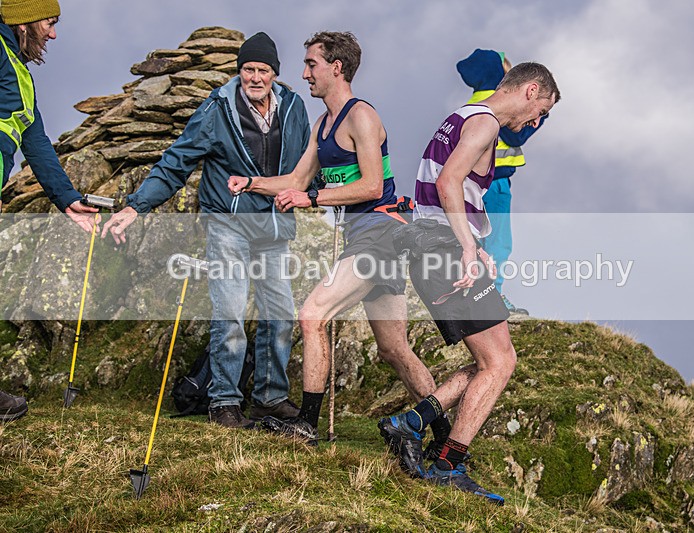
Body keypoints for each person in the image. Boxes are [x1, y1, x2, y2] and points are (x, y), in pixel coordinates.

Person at [229, 32, 448, 462]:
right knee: (393, 349)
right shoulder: (322, 124)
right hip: (367, 236)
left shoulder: (361, 117)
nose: (303, 72)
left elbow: (369, 185)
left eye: (311, 64)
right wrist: (250, 182)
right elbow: (296, 179)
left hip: (380, 233)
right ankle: (444, 435)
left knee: (313, 315)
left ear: (337, 68)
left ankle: (306, 426)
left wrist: (311, 198)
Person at [102, 32, 310, 429]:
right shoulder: (217, 108)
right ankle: (225, 402)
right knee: (230, 312)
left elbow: (306, 165)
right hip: (228, 224)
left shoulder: (295, 108)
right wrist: (135, 208)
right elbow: (176, 162)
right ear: (239, 71)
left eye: (263, 70)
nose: (254, 77)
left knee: (280, 314)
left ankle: (269, 399)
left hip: (275, 225)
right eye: (248, 68)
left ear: (274, 74)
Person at [380, 62, 559, 504]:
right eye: (542, 110)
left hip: (433, 245)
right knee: (501, 362)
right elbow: (448, 183)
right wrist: (466, 247)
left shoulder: (462, 116)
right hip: (443, 248)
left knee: (489, 362)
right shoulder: (485, 123)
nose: (535, 122)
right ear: (530, 90)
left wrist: (474, 245)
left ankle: (412, 424)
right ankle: (448, 464)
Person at [1, 0, 99, 422]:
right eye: (50, 22)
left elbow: (35, 138)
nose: (53, 34)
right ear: (24, 18)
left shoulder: (17, 69)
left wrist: (67, 198)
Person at [457, 49, 550, 316]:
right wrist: (541, 113)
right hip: (495, 186)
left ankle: (472, 293)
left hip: (469, 186)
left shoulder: (472, 104)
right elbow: (516, 137)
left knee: (475, 242)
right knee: (498, 243)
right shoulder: (499, 105)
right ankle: (492, 297)